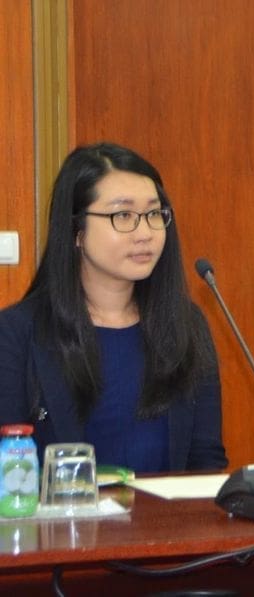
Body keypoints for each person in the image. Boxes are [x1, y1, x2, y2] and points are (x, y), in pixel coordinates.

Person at [0, 142, 226, 472]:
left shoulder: (186, 324)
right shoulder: (16, 334)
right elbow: (9, 475)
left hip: (169, 510)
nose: (145, 233)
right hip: (64, 509)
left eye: (154, 214)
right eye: (123, 215)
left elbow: (206, 462)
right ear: (76, 230)